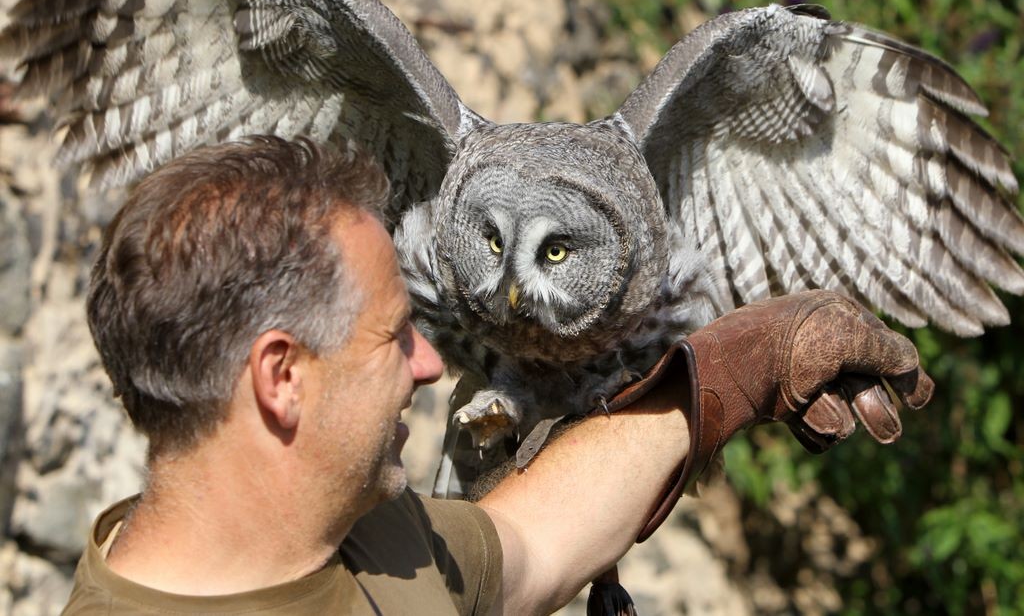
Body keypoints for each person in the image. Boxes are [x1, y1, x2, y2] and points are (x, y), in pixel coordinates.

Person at [64, 136, 933, 615]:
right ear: (282, 378)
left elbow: (536, 543)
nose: (434, 363)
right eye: (396, 337)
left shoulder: (380, 546)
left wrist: (742, 363)